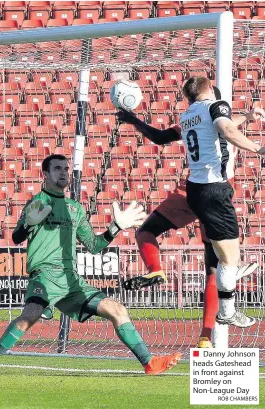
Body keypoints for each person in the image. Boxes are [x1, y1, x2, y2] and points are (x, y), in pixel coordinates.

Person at [0, 154, 182, 375]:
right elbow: (17, 237)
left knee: (117, 309)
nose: (64, 173)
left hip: (72, 280)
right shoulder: (38, 202)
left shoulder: (75, 208)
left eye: (66, 169)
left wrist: (116, 227)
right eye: (57, 169)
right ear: (45, 175)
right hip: (45, 275)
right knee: (30, 315)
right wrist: (27, 224)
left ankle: (149, 363)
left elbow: (94, 245)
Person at [117, 84, 264, 347]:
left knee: (145, 231)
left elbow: (160, 137)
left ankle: (156, 269)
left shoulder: (189, 118)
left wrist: (132, 120)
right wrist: (257, 147)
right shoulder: (217, 117)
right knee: (215, 268)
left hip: (189, 191)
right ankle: (207, 336)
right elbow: (227, 127)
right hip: (216, 192)